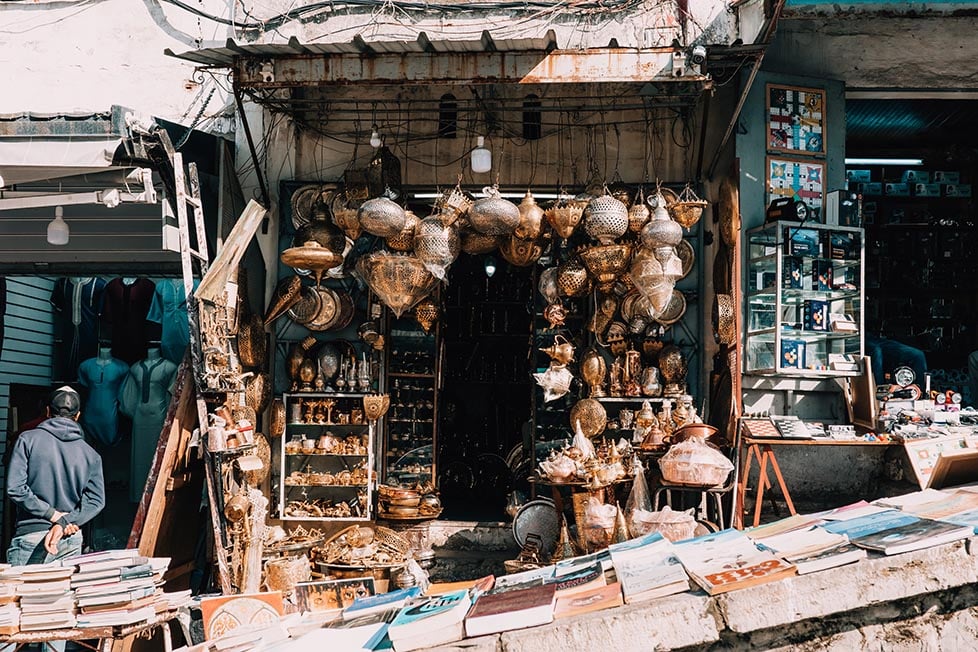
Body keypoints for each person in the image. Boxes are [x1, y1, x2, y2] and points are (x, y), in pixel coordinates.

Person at [6, 386, 105, 566]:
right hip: (70, 537)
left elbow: (16, 488)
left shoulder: (27, 440)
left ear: (48, 411)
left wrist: (53, 516)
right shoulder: (91, 454)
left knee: (24, 594)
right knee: (61, 595)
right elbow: (96, 501)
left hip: (32, 535)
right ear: (78, 416)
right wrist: (66, 521)